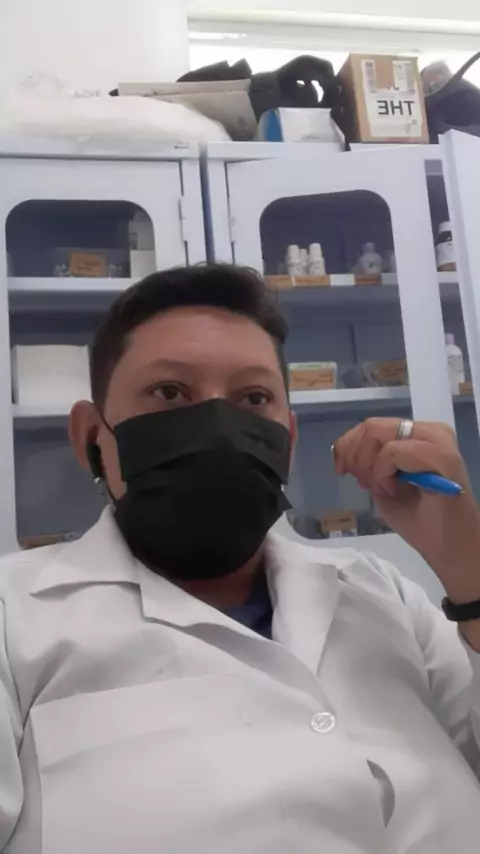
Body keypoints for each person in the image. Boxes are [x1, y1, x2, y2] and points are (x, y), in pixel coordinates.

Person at [2, 263, 480, 854]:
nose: (219, 426)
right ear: (91, 438)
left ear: (289, 439)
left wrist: (469, 570)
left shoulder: (382, 592)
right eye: (169, 392)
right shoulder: (13, 618)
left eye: (253, 398)